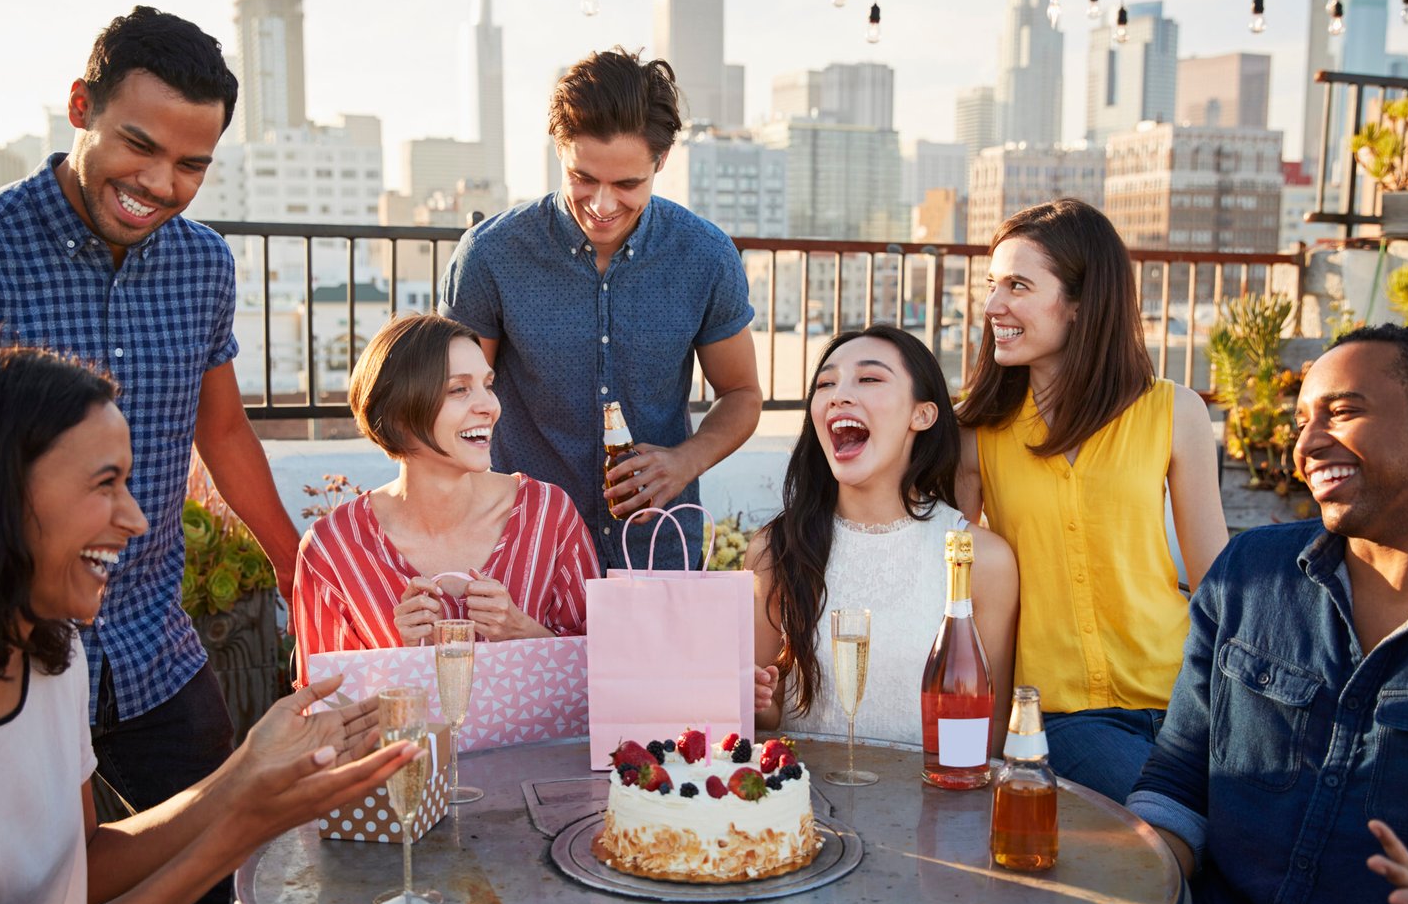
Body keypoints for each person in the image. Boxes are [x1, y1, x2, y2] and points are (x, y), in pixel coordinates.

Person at [0, 7, 299, 904]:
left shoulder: (204, 264)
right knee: (11, 900)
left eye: (191, 165)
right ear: (81, 108)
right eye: (139, 145)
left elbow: (225, 431)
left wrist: (296, 558)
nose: (160, 182)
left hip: (150, 634)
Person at [0, 347, 414, 904]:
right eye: (106, 484)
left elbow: (84, 862)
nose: (135, 520)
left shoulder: (52, 653)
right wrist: (236, 833)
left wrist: (245, 773)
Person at [1100, 325, 1408, 904]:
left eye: (1341, 412)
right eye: (1302, 419)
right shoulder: (1248, 575)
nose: (1307, 445)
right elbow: (1180, 781)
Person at [439, 47, 761, 572]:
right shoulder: (490, 254)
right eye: (583, 177)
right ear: (559, 151)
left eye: (628, 184)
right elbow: (452, 399)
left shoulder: (706, 256)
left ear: (661, 161)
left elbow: (742, 394)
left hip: (657, 549)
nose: (603, 204)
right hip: (521, 547)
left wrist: (684, 462)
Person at [955, 198, 1228, 804]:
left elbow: (1218, 581)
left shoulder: (1174, 411)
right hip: (1066, 717)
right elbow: (954, 584)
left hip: (1187, 695)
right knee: (1174, 816)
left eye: (1018, 286)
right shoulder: (975, 431)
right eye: (992, 286)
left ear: (1081, 303)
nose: (993, 306)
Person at [748, 326, 1018, 746]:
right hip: (808, 805)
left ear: (923, 414)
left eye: (869, 378)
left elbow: (991, 733)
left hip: (931, 804)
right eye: (825, 383)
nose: (839, 394)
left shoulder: (981, 559)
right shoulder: (775, 549)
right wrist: (751, 700)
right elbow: (769, 717)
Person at [293, 313, 597, 673]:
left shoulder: (550, 515)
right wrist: (400, 655)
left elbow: (601, 676)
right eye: (459, 389)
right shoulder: (333, 550)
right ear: (399, 413)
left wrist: (521, 631)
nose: (489, 406)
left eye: (488, 385)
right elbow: (325, 713)